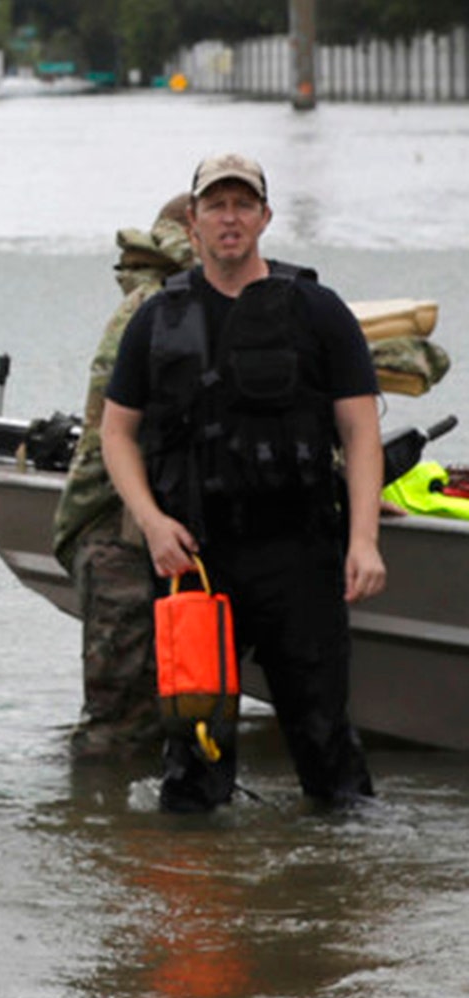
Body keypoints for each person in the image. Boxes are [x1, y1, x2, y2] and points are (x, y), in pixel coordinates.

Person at [101, 152, 385, 812]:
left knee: (326, 746)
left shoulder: (317, 310)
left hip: (300, 554)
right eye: (216, 206)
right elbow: (117, 434)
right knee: (194, 752)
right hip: (194, 561)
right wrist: (150, 521)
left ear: (264, 217)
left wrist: (364, 541)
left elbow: (361, 431)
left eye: (242, 205)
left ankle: (340, 895)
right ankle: (198, 899)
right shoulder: (156, 318)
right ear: (193, 222)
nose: (230, 218)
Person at [52, 194, 195, 761]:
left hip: (157, 531)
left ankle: (123, 836)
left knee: (177, 707)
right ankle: (103, 832)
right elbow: (109, 435)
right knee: (120, 724)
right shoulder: (151, 310)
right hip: (119, 536)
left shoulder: (186, 305)